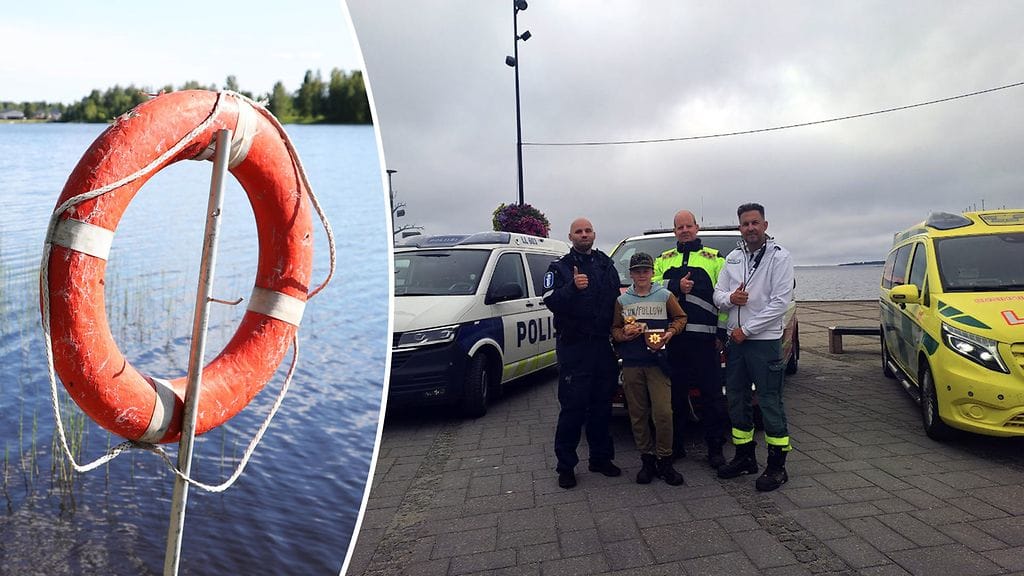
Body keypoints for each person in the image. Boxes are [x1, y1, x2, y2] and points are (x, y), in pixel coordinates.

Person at [713, 202, 795, 492]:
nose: (750, 228)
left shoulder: (779, 257)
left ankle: (776, 466)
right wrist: (729, 300)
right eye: (745, 224)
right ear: (740, 227)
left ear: (765, 225)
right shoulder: (733, 258)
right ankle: (744, 457)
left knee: (770, 401)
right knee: (737, 400)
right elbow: (718, 293)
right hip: (735, 342)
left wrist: (747, 330)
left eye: (755, 223)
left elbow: (779, 303)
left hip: (762, 342)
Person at [542, 217, 622, 489]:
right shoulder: (560, 268)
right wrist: (572, 288)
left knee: (601, 406)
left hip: (602, 345)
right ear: (571, 236)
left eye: (588, 230)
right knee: (573, 408)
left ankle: (600, 458)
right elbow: (551, 301)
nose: (584, 234)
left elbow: (617, 301)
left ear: (594, 234)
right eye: (579, 231)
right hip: (574, 346)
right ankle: (566, 465)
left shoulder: (606, 264)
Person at [652, 210, 729, 468]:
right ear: (674, 231)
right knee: (675, 399)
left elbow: (725, 301)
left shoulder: (715, 259)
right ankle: (676, 447)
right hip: (674, 341)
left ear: (697, 228)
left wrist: (721, 333)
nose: (684, 230)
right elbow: (649, 287)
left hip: (706, 342)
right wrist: (675, 284)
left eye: (689, 226)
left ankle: (715, 449)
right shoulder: (663, 260)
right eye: (679, 227)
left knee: (712, 398)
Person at [611, 252, 688, 485]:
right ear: (631, 274)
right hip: (633, 364)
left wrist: (671, 332)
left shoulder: (665, 295)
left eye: (646, 270)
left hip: (658, 363)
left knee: (663, 413)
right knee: (638, 415)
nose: (641, 275)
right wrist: (623, 334)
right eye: (637, 271)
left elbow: (681, 318)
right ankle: (647, 459)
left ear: (653, 272)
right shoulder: (622, 301)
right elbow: (614, 329)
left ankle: (665, 459)